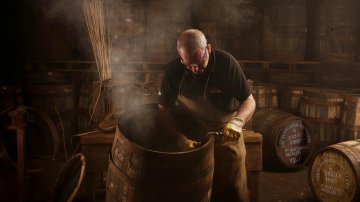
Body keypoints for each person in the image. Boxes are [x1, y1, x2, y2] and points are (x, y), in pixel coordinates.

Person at [158, 29, 256, 202]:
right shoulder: (174, 70)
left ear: (208, 49)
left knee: (233, 189)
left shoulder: (226, 63)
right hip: (191, 134)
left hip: (225, 131)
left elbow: (249, 100)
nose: (194, 69)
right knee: (193, 190)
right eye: (188, 65)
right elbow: (163, 108)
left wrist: (237, 122)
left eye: (199, 63)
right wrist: (180, 138)